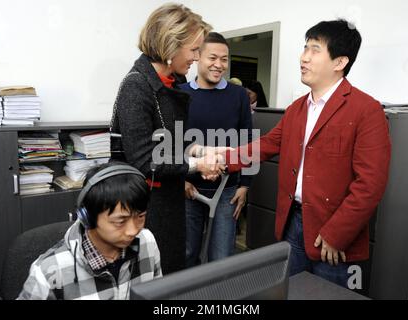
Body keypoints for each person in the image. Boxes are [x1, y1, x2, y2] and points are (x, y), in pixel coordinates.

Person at [223, 19, 391, 288]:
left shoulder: (366, 111)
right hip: (293, 224)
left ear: (339, 62)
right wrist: (222, 159)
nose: (303, 57)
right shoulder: (297, 109)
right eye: (305, 48)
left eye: (314, 50)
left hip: (334, 238)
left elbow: (370, 185)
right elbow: (266, 145)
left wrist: (336, 234)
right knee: (291, 291)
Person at [109, 4, 220, 275]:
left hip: (168, 200)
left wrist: (202, 150)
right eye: (194, 50)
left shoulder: (170, 83)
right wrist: (197, 166)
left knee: (170, 272)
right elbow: (146, 160)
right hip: (144, 208)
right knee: (150, 279)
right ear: (171, 44)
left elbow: (173, 143)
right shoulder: (137, 86)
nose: (197, 57)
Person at [18, 162, 162, 300]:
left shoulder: (147, 241)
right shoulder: (48, 271)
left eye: (141, 217)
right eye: (120, 221)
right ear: (88, 218)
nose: (133, 230)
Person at [179, 32, 252, 266]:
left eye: (224, 59)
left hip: (227, 190)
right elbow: (173, 142)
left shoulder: (239, 95)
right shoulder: (180, 94)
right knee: (188, 253)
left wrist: (245, 184)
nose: (219, 65)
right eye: (213, 57)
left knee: (221, 257)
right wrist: (181, 179)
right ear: (198, 56)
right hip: (189, 189)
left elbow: (247, 141)